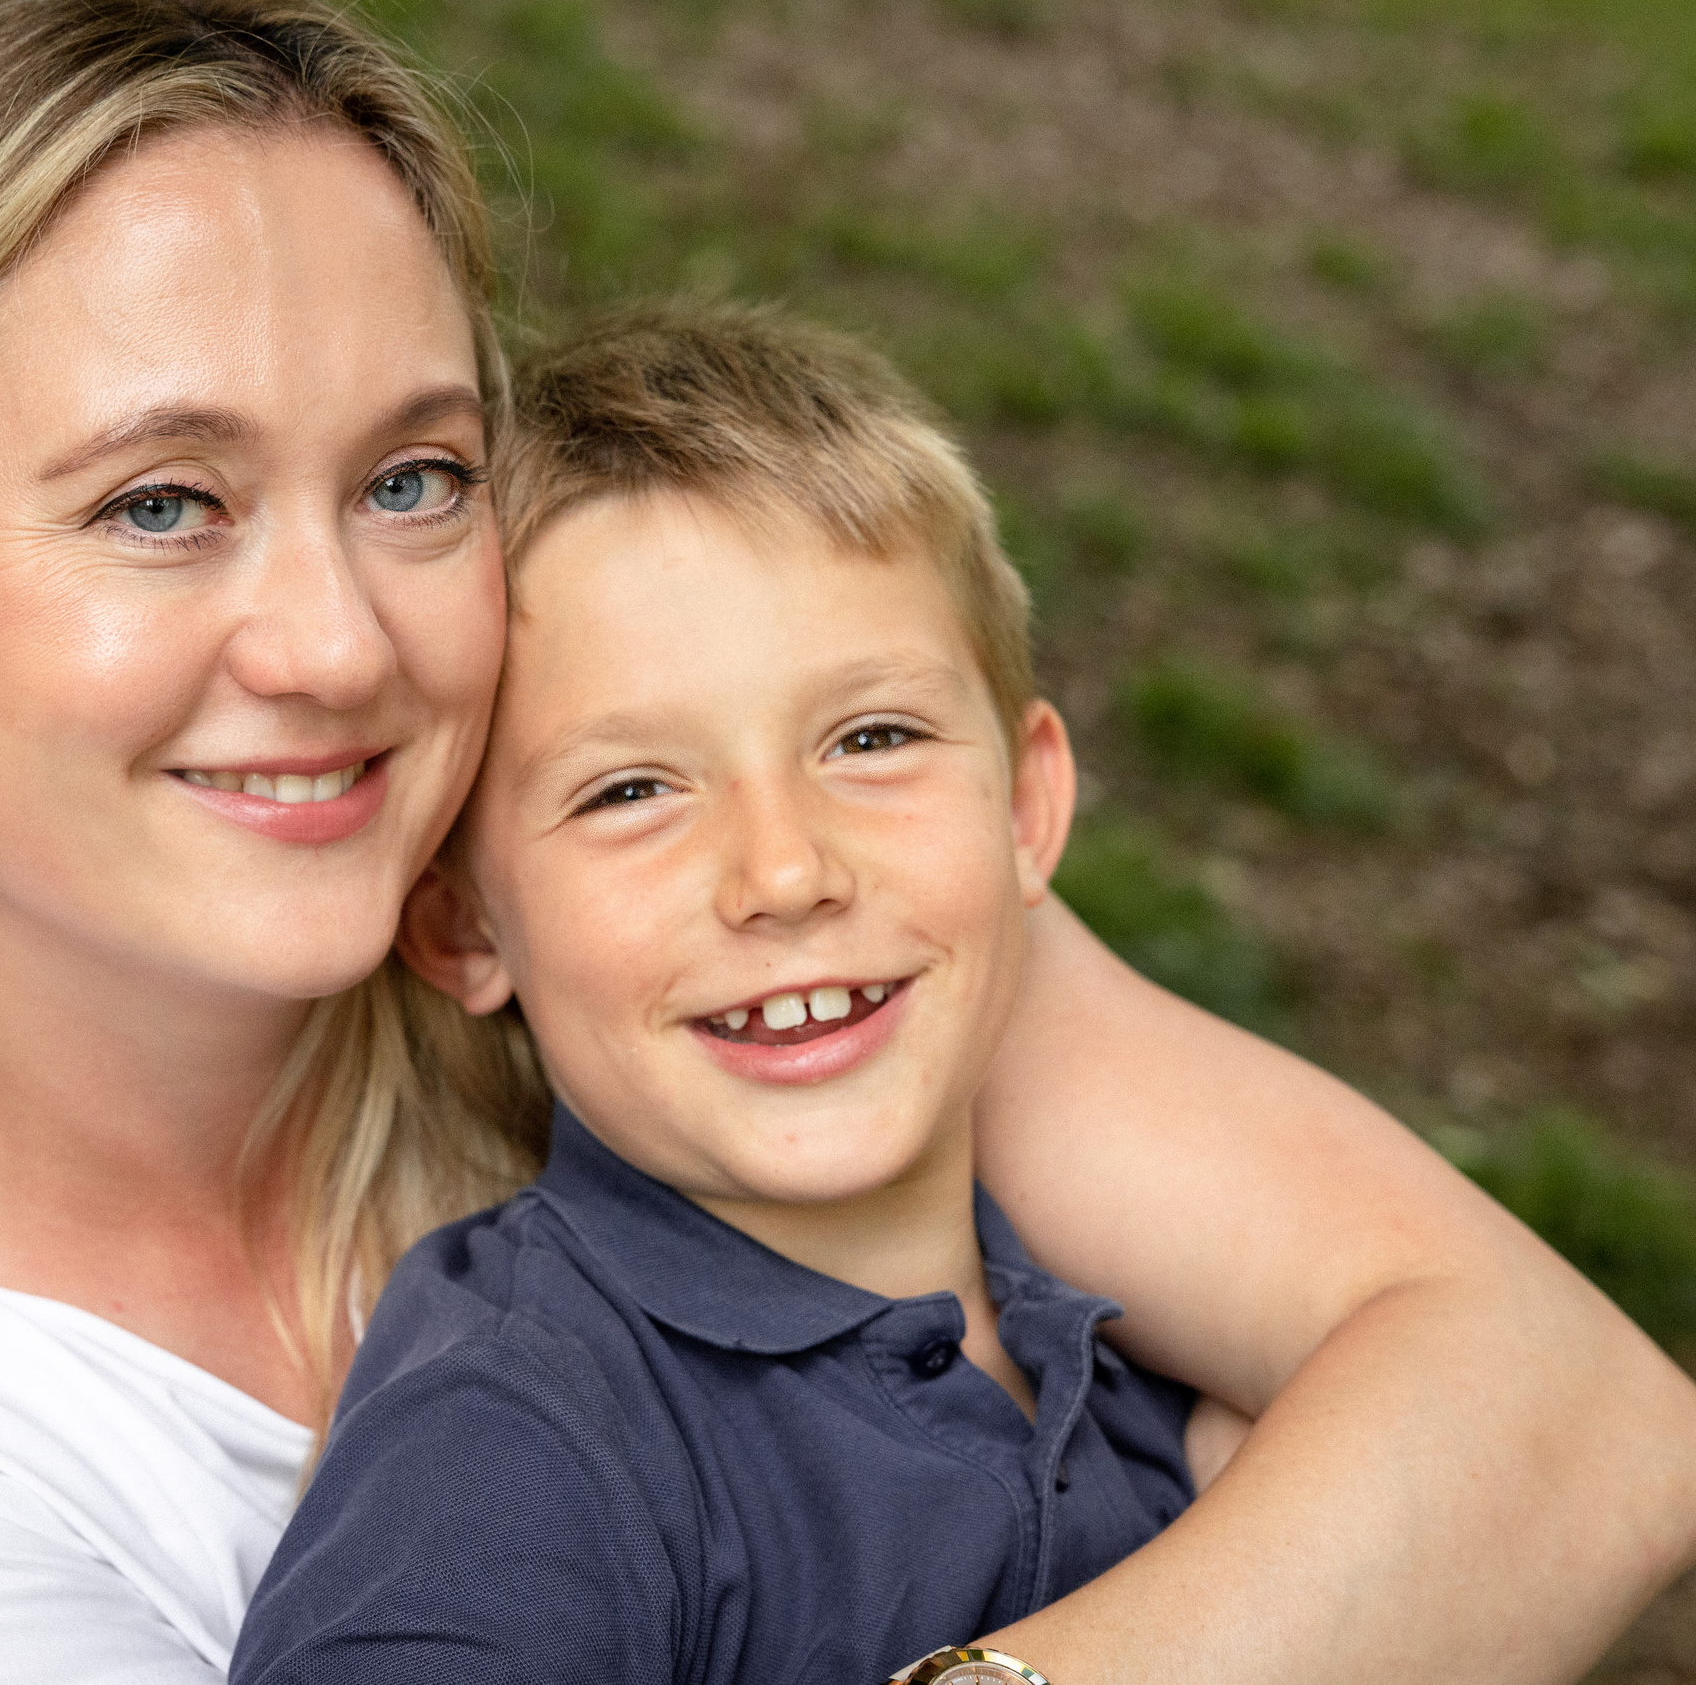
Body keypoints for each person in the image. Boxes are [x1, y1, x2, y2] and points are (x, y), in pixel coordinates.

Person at [0, 0, 1696, 1684]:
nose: (335, 638)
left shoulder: (705, 953)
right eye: (162, 501)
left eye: (412, 476)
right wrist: (1272, 1565)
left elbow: (1581, 1428)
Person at [233, 302, 1225, 1685]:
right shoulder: (514, 1434)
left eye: (871, 738)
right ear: (459, 926)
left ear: (1027, 808)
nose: (783, 869)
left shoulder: (1135, 1330)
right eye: (631, 790)